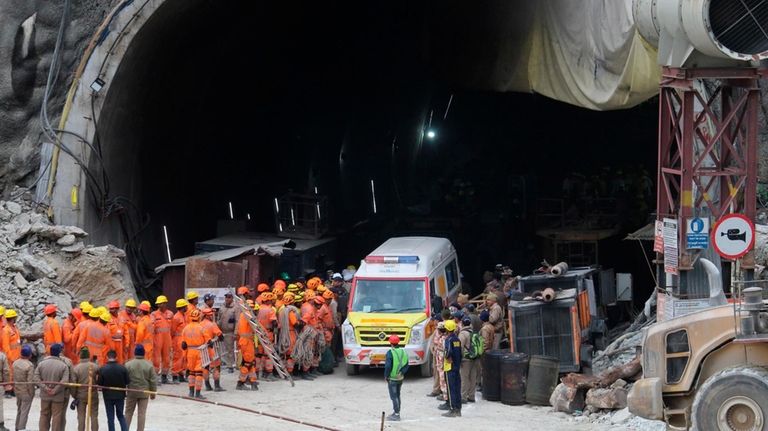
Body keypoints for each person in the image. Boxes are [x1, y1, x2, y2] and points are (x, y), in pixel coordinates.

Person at [35, 343, 70, 431]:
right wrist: (55, 390)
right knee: (57, 416)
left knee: (44, 414)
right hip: (58, 396)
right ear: (60, 352)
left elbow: (36, 378)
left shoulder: (42, 364)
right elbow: (64, 381)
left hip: (45, 395)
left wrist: (46, 388)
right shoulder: (63, 366)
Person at [124, 344, 156, 431]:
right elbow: (153, 380)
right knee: (142, 414)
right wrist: (153, 393)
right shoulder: (149, 365)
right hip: (144, 393)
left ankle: (125, 429)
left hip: (131, 392)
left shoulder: (128, 364)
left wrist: (124, 392)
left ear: (134, 353)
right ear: (144, 353)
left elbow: (124, 379)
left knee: (128, 413)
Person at [97, 350, 129, 431]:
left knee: (110, 417)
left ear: (107, 357)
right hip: (120, 396)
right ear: (116, 357)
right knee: (121, 416)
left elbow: (99, 384)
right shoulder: (122, 368)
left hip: (108, 396)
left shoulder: (103, 369)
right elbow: (127, 381)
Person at [181, 309, 210, 398]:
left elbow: (183, 343)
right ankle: (197, 393)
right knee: (199, 373)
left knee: (191, 373)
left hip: (190, 352)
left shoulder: (186, 328)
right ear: (198, 317)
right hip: (199, 351)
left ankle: (191, 392)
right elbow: (208, 340)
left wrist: (184, 355)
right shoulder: (201, 328)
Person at [72, 347, 99, 431]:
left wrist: (74, 395)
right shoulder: (95, 366)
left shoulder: (76, 368)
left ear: (80, 356)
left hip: (80, 395)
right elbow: (99, 380)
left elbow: (73, 384)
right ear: (88, 356)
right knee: (94, 416)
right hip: (93, 394)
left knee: (81, 416)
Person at [384, 334, 409, 422]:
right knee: (398, 395)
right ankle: (397, 412)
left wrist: (386, 376)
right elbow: (406, 364)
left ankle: (396, 414)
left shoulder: (390, 353)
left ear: (390, 343)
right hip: (400, 378)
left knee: (394, 396)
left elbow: (387, 366)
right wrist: (402, 372)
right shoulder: (403, 352)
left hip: (392, 378)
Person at [440, 319, 462, 417]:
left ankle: (452, 409)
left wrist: (446, 357)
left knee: (451, 389)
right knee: (457, 388)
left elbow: (448, 352)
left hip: (449, 367)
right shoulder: (457, 339)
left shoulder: (448, 340)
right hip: (457, 367)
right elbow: (460, 354)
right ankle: (458, 408)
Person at [200, 308, 225, 391]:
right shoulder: (212, 324)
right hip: (211, 348)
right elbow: (220, 336)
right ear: (208, 315)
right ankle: (217, 386)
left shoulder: (199, 324)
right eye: (211, 315)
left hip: (202, 349)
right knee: (216, 367)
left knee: (205, 367)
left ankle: (207, 386)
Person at [236, 301, 259, 390]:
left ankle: (253, 381)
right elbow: (257, 326)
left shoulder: (243, 314)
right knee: (248, 363)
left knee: (251, 362)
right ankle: (240, 382)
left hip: (245, 341)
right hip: (247, 341)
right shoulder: (248, 314)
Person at [151, 296, 173, 383]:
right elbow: (151, 327)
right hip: (157, 339)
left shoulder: (170, 314)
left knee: (167, 359)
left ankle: (164, 376)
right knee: (156, 359)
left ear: (165, 303)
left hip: (167, 339)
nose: (159, 305)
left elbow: (173, 327)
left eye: (161, 303)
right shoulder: (153, 314)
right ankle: (155, 378)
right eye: (158, 304)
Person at [458, 316, 480, 403]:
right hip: (474, 358)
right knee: (473, 377)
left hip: (465, 359)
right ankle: (471, 396)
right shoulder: (473, 332)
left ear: (462, 323)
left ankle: (463, 397)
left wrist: (459, 359)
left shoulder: (463, 334)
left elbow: (460, 347)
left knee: (464, 378)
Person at [13, 345, 34, 431]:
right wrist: (31, 393)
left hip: (17, 389)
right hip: (26, 391)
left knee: (19, 410)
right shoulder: (29, 365)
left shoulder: (15, 363)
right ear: (29, 355)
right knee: (24, 412)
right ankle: (21, 428)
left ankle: (17, 427)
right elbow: (30, 382)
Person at [216, 292, 238, 373]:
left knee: (230, 349)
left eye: (229, 297)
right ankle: (223, 363)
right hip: (221, 331)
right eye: (226, 297)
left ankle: (230, 365)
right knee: (221, 349)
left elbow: (237, 321)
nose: (227, 299)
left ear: (232, 298)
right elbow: (218, 318)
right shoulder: (222, 307)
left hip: (230, 331)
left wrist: (235, 332)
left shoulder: (235, 308)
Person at [171, 299, 188, 383]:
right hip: (177, 340)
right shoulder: (176, 317)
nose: (187, 307)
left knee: (183, 357)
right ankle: (175, 375)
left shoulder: (183, 315)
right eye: (185, 306)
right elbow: (172, 330)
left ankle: (181, 375)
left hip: (183, 339)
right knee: (177, 357)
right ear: (182, 307)